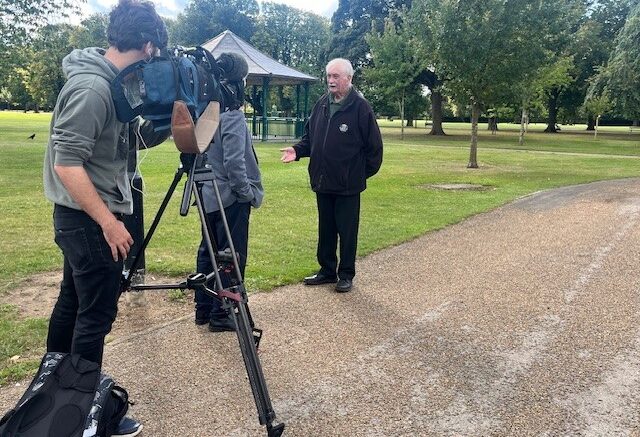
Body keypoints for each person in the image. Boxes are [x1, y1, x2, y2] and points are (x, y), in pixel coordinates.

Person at [42, 1, 168, 435]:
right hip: (89, 219)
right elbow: (68, 163)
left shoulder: (113, 85)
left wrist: (173, 119)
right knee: (94, 316)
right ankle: (78, 417)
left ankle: (55, 402)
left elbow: (118, 147)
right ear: (148, 44)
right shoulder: (93, 89)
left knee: (73, 306)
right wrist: (109, 222)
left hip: (81, 218)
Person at [280, 58, 383, 293]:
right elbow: (310, 138)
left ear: (349, 78)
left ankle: (346, 274)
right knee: (325, 229)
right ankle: (327, 270)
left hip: (348, 186)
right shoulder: (322, 104)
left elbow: (374, 150)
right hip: (322, 180)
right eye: (329, 76)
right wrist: (297, 150)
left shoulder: (360, 108)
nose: (331, 81)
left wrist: (356, 175)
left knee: (347, 232)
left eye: (336, 76)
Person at [195, 70, 264, 332]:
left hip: (207, 195)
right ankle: (222, 314)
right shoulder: (233, 116)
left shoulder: (204, 114)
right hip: (229, 199)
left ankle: (203, 308)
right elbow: (235, 162)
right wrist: (246, 192)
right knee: (231, 256)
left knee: (208, 252)